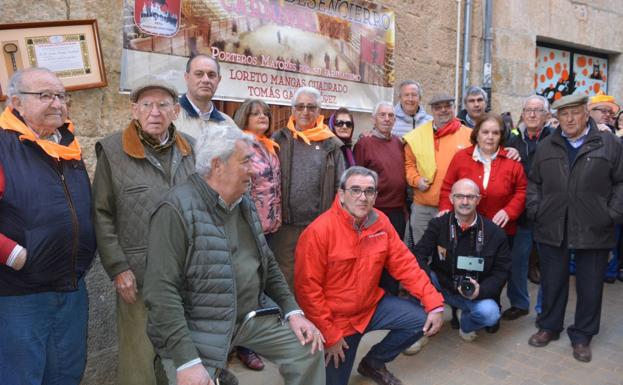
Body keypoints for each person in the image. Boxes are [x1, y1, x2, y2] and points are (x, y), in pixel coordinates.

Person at [143, 125, 325, 385]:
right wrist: (187, 361)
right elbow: (160, 292)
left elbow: (267, 263)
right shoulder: (175, 210)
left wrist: (292, 311)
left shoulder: (244, 202)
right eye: (246, 161)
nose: (255, 169)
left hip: (247, 318)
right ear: (218, 165)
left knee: (308, 348)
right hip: (198, 327)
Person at [295, 166, 444, 385]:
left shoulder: (381, 222)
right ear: (341, 194)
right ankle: (312, 358)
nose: (362, 197)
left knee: (420, 320)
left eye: (369, 191)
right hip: (338, 321)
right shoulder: (319, 232)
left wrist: (434, 303)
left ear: (375, 196)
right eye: (355, 190)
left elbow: (406, 265)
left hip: (371, 307)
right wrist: (331, 335)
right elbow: (307, 290)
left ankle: (373, 363)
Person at [93, 77, 195, 385]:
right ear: (134, 110)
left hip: (183, 273)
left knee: (182, 355)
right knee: (139, 360)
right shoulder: (112, 150)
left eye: (163, 105)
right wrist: (118, 268)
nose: (155, 112)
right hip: (137, 276)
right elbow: (101, 214)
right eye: (147, 104)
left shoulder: (189, 147)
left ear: (175, 111)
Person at [0, 67, 96, 385]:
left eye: (60, 95)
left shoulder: (67, 147)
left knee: (66, 374)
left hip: (70, 287)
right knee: (21, 377)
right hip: (20, 293)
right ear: (16, 102)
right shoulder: (3, 146)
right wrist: (13, 254)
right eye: (44, 95)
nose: (56, 103)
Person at [526, 94, 623, 363]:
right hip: (552, 225)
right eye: (563, 114)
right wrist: (537, 210)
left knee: (590, 285)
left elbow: (621, 182)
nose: (569, 119)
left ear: (586, 113)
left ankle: (582, 336)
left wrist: (612, 214)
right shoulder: (546, 146)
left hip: (594, 226)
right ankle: (549, 326)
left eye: (575, 113)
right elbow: (533, 183)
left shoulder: (609, 144)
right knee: (553, 281)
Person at [414, 178, 510, 342]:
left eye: (470, 197)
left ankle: (465, 323)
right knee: (416, 279)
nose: (464, 202)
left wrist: (481, 291)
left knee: (491, 314)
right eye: (459, 196)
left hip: (474, 292)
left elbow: (502, 271)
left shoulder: (495, 233)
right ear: (451, 198)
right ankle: (418, 330)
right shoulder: (438, 225)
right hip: (442, 286)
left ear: (478, 200)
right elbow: (418, 256)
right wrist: (429, 290)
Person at [271, 87, 345, 287]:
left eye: (311, 107)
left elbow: (341, 185)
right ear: (293, 110)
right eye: (300, 106)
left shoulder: (331, 144)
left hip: (318, 225)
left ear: (319, 112)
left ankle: (310, 315)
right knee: (284, 274)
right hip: (284, 225)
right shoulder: (278, 140)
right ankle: (288, 315)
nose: (305, 111)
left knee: (313, 274)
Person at [232, 98, 281, 371]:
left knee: (260, 285)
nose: (262, 117)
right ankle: (244, 346)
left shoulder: (268, 144)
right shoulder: (242, 145)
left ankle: (256, 338)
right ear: (244, 118)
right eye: (255, 113)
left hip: (270, 228)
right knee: (248, 287)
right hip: (250, 229)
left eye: (266, 113)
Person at [501, 95, 553, 321]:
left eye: (537, 110)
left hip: (548, 214)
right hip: (521, 215)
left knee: (550, 266)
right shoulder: (512, 141)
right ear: (522, 113)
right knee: (518, 263)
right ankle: (520, 303)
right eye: (528, 110)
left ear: (546, 115)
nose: (532, 114)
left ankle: (545, 309)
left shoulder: (556, 139)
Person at [439, 114, 527, 239]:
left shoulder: (512, 161)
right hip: (463, 228)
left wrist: (509, 211)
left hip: (501, 230)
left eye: (495, 133)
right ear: (477, 134)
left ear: (501, 136)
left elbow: (521, 191)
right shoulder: (460, 157)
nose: (490, 137)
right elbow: (447, 188)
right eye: (485, 132)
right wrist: (446, 210)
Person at [403, 93, 472, 245]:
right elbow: (409, 165)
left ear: (454, 108)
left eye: (447, 106)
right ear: (432, 111)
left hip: (457, 207)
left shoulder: (469, 135)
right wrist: (416, 180)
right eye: (438, 107)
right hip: (423, 206)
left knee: (451, 251)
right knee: (422, 250)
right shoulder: (417, 136)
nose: (443, 110)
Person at [354, 102, 407, 295]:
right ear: (373, 119)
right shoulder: (364, 143)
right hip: (374, 212)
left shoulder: (398, 143)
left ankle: (390, 297)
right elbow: (356, 177)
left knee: (393, 257)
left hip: (397, 211)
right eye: (382, 115)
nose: (387, 119)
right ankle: (370, 298)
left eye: (391, 115)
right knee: (372, 258)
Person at [175, 54, 236, 139]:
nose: (206, 80)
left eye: (211, 75)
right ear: (186, 77)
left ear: (218, 80)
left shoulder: (228, 123)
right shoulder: (170, 117)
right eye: (199, 74)